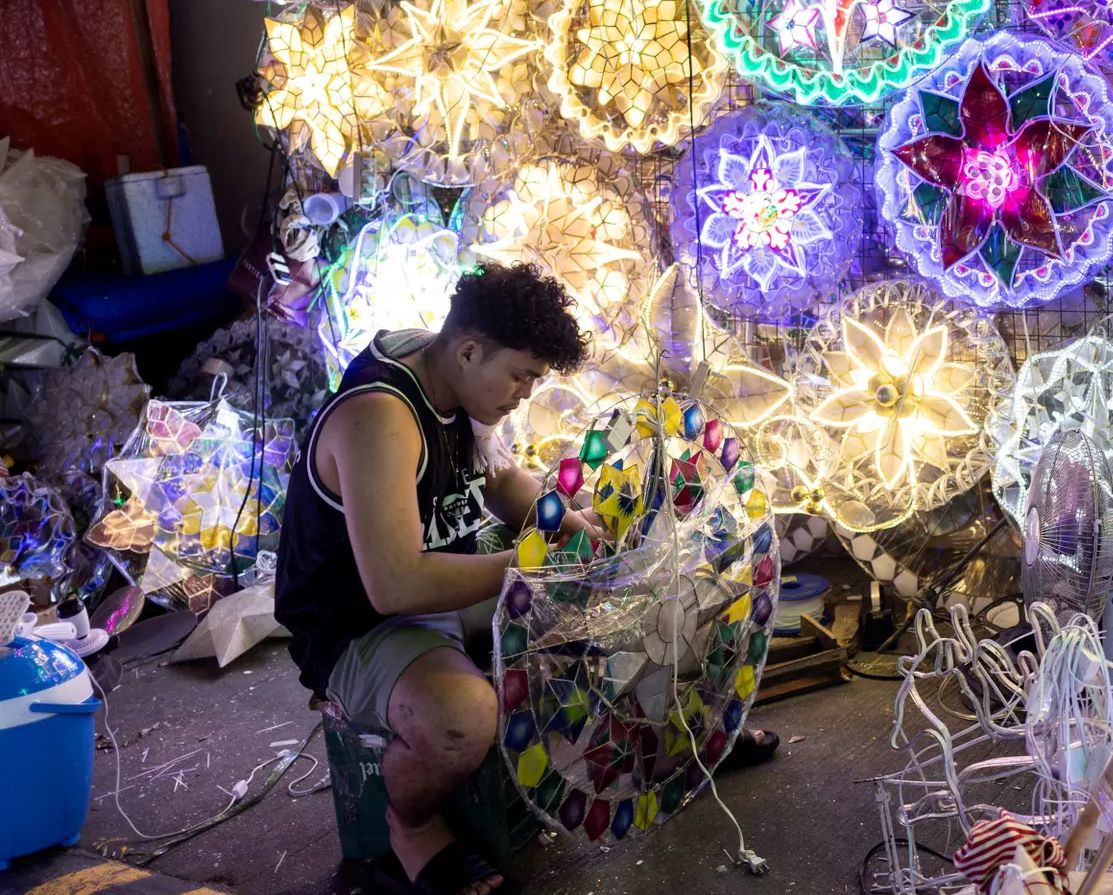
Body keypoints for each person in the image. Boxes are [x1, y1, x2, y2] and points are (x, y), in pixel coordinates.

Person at [275, 264, 777, 895]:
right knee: (463, 717)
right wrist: (529, 565)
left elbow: (501, 479)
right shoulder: (381, 417)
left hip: (444, 579)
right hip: (360, 622)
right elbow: (395, 585)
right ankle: (413, 828)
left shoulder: (453, 382)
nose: (525, 393)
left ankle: (681, 748)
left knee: (631, 593)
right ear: (468, 351)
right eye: (521, 376)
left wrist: (576, 528)